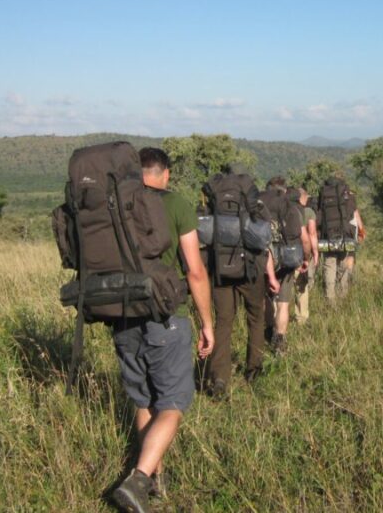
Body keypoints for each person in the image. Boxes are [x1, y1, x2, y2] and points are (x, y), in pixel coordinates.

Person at [110, 147, 214, 513]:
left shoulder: (115, 206)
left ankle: (156, 479)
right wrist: (207, 322)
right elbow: (195, 270)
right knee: (172, 402)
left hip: (122, 314)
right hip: (166, 315)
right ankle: (138, 479)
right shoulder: (177, 205)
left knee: (143, 399)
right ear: (165, 173)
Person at [204, 163, 280, 399]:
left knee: (223, 322)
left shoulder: (212, 200)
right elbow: (263, 240)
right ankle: (253, 370)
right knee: (256, 319)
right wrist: (271, 274)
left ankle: (219, 379)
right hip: (251, 269)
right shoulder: (254, 203)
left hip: (221, 270)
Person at [261, 178, 311, 354]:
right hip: (287, 261)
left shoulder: (259, 207)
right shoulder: (293, 209)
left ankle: (267, 332)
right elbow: (304, 239)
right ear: (284, 191)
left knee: (266, 299)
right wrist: (305, 258)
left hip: (264, 259)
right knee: (283, 303)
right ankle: (280, 341)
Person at [318, 175, 363, 301]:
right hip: (346, 235)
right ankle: (343, 295)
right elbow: (355, 215)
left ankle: (329, 299)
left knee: (329, 264)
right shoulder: (349, 196)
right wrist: (361, 232)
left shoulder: (324, 194)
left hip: (328, 236)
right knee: (344, 263)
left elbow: (319, 216)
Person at [293, 187, 319, 324]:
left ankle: (276, 318)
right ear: (304, 198)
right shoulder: (308, 212)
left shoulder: (285, 210)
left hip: (284, 253)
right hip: (300, 253)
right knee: (301, 286)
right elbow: (312, 234)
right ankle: (301, 318)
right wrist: (313, 253)